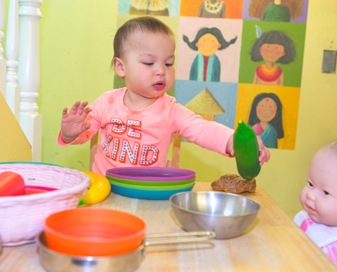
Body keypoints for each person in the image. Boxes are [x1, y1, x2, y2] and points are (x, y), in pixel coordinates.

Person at [58, 16, 270, 175]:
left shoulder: (171, 110)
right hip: (106, 189)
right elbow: (84, 134)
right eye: (149, 63)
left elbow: (202, 129)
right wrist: (70, 134)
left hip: (148, 191)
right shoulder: (107, 102)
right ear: (120, 67)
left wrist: (233, 141)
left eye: (168, 63)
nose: (161, 70)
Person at [294, 143, 337, 265]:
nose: (310, 195)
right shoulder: (304, 217)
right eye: (310, 184)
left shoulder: (332, 245)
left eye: (326, 192)